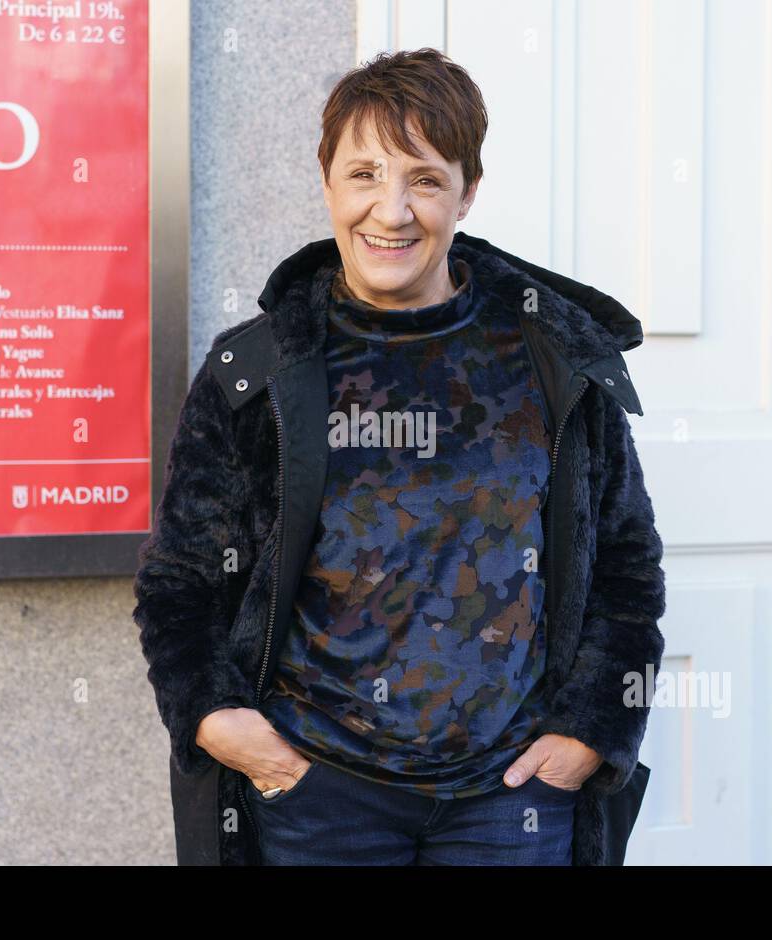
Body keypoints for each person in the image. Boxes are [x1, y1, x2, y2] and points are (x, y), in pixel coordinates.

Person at [133, 47, 666, 866]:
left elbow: (625, 569)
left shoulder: (552, 353)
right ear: (328, 186)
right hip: (317, 798)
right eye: (365, 175)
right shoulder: (259, 371)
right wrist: (222, 724)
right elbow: (180, 579)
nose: (392, 210)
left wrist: (593, 731)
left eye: (423, 178)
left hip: (508, 801)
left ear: (467, 192)